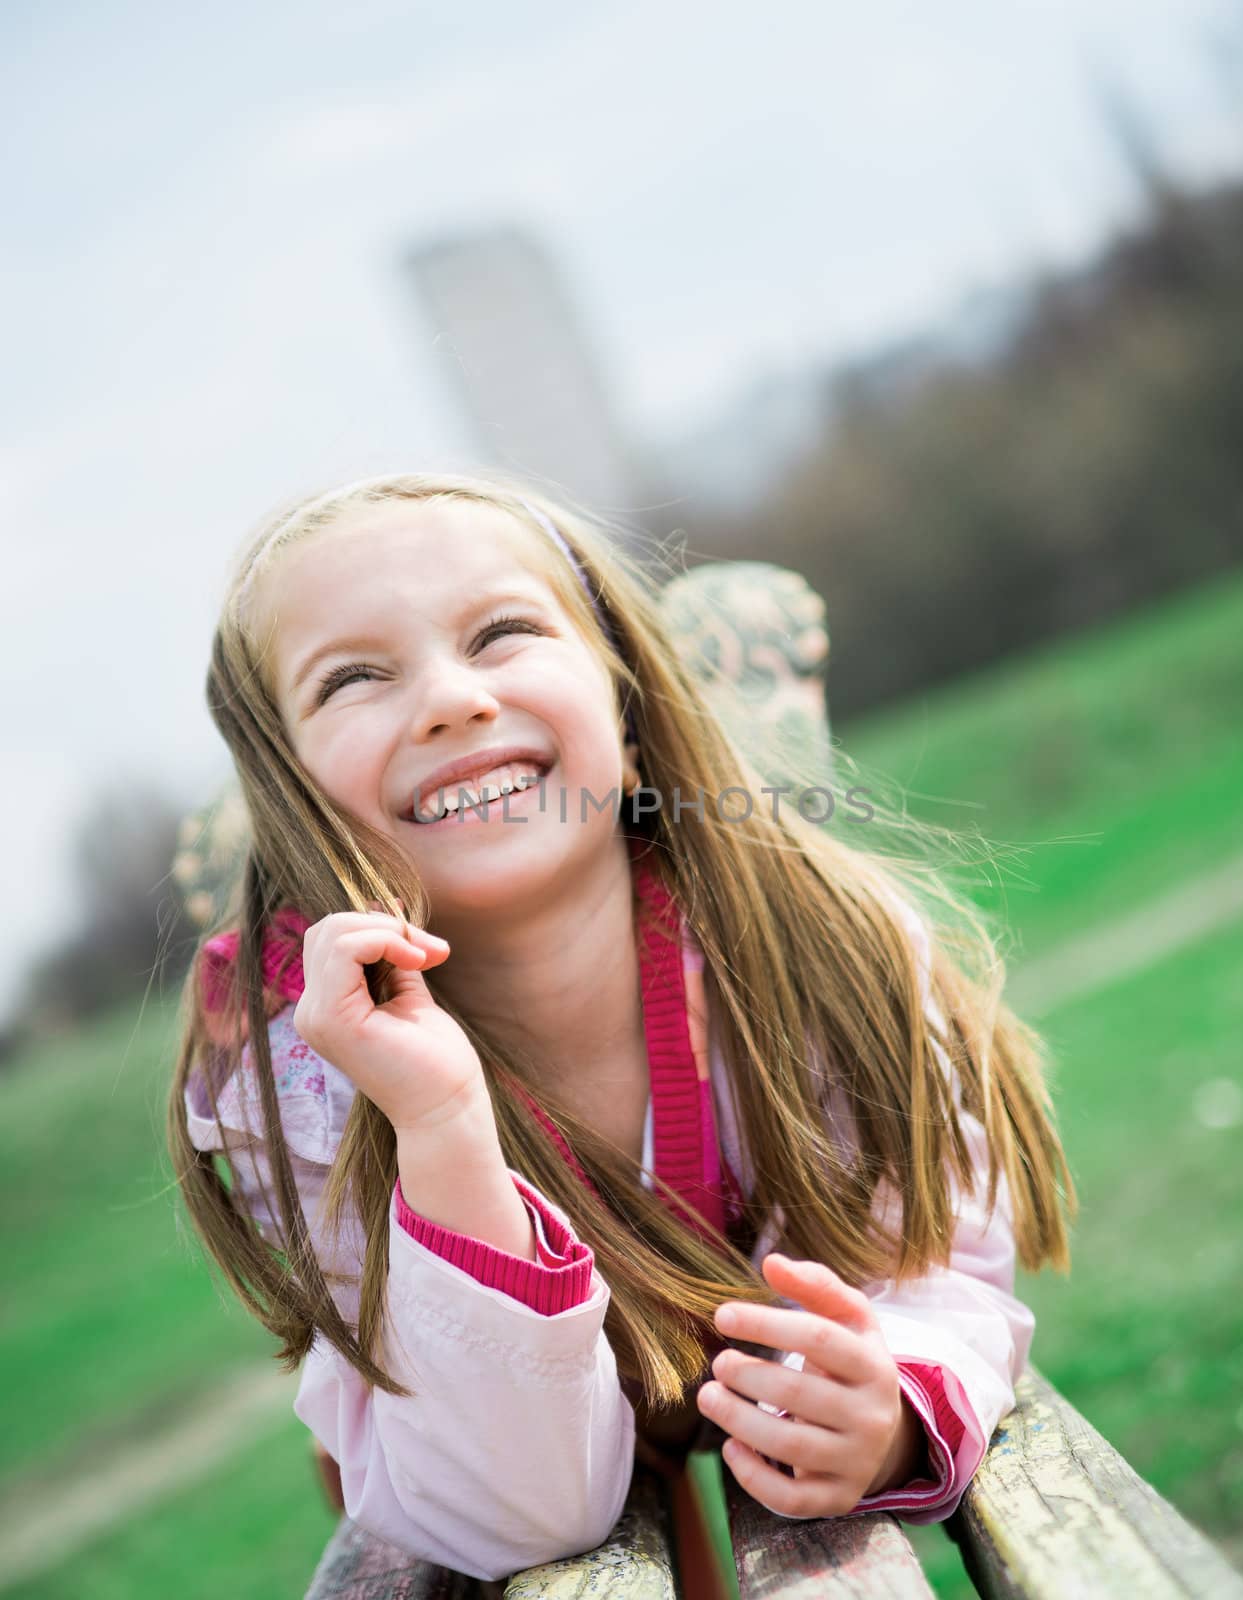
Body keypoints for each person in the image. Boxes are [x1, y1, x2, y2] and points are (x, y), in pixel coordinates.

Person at [167, 470, 1077, 1586]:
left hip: (737, 1310)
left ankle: (754, 747)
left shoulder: (822, 941)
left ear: (629, 713)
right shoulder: (297, 1084)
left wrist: (887, 1395)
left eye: (502, 631)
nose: (452, 700)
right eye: (352, 677)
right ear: (293, 795)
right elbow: (525, 1511)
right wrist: (441, 1123)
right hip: (458, 1412)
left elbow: (936, 1263)